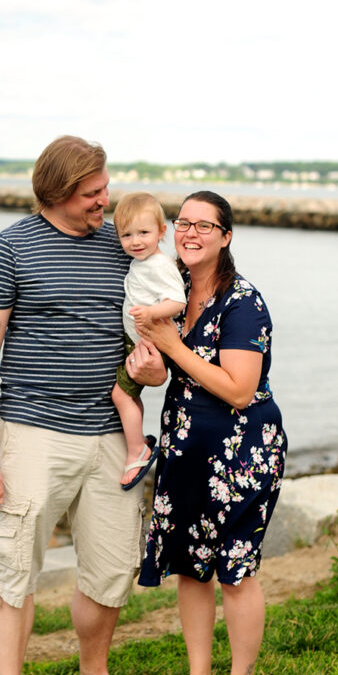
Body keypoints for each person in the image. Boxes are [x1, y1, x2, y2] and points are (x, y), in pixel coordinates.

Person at [0, 135, 167, 675]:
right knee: (15, 567)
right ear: (55, 194)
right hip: (30, 435)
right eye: (92, 194)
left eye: (105, 188)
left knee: (110, 567)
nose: (105, 203)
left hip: (112, 436)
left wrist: (153, 371)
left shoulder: (122, 245)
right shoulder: (9, 250)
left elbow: (153, 329)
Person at [135, 190, 287, 675]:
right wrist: (148, 367)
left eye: (204, 225)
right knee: (190, 565)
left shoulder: (244, 302)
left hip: (243, 452)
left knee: (234, 568)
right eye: (183, 222)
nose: (190, 232)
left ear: (225, 236)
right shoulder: (168, 290)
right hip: (185, 445)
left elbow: (240, 389)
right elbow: (163, 373)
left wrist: (174, 349)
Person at [112, 193, 186, 490]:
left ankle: (137, 450)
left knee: (120, 395)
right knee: (130, 396)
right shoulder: (143, 262)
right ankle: (137, 440)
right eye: (126, 235)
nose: (135, 241)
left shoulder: (158, 264)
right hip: (140, 341)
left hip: (148, 344)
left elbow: (177, 301)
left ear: (161, 232)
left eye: (143, 233)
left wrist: (152, 312)